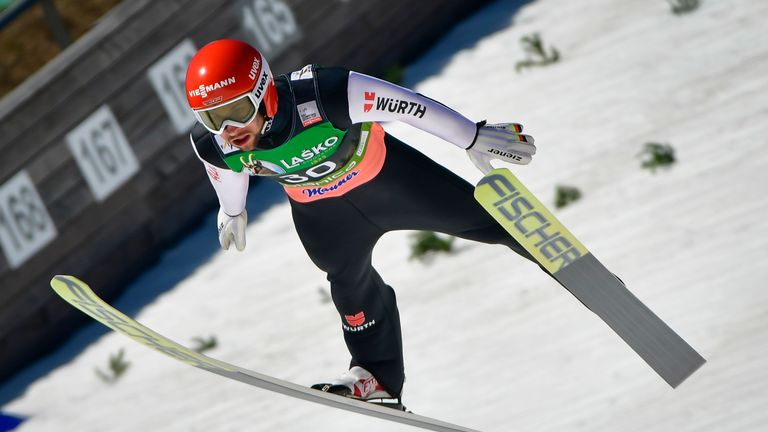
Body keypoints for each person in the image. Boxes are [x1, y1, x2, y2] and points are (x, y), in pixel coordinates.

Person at [184, 39, 538, 407]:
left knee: (490, 224)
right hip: (325, 218)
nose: (229, 128)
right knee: (348, 284)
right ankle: (377, 376)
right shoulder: (215, 144)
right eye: (212, 119)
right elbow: (223, 171)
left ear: (264, 91)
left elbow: (409, 106)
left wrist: (472, 135)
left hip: (394, 183)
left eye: (238, 110)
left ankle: (562, 261)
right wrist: (233, 210)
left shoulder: (325, 93)